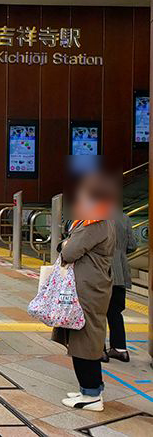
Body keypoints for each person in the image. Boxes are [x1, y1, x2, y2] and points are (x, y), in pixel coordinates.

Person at [54, 172, 117, 412]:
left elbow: (69, 252)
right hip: (90, 286)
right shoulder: (97, 217)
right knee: (84, 338)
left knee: (86, 340)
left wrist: (66, 245)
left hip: (89, 289)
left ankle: (91, 395)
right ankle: (88, 390)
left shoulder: (96, 220)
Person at [103, 212, 135, 363]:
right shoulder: (124, 217)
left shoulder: (91, 216)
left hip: (101, 270)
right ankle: (120, 349)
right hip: (121, 271)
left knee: (97, 312)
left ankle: (99, 350)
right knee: (115, 311)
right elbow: (132, 246)